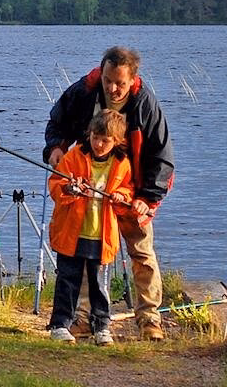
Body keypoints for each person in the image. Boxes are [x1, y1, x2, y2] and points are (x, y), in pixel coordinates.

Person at [44, 46, 174, 341]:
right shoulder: (83, 91)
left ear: (133, 80)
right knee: (89, 252)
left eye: (120, 83)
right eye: (108, 81)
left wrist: (147, 198)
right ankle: (84, 319)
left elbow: (162, 157)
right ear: (100, 74)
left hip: (133, 191)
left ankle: (150, 319)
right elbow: (56, 122)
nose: (113, 89)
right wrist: (55, 148)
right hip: (91, 190)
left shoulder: (146, 105)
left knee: (142, 253)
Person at [46, 109, 134, 346]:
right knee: (67, 279)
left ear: (116, 141)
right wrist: (70, 189)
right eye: (95, 137)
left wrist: (120, 197)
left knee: (99, 284)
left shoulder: (122, 163)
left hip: (101, 235)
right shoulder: (75, 156)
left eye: (105, 140)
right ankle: (59, 324)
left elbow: (128, 190)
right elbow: (56, 184)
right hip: (71, 232)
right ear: (89, 134)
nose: (98, 144)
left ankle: (101, 326)